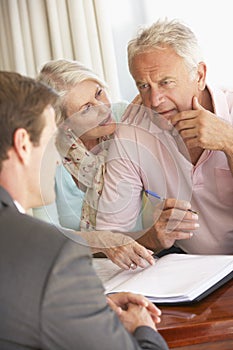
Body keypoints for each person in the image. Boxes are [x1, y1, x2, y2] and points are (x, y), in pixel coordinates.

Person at [0, 71, 169, 350]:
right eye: (47, 142)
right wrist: (142, 327)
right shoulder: (50, 252)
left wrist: (80, 306)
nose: (54, 158)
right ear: (22, 144)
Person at [96, 18, 233, 255]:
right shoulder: (133, 132)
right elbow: (110, 236)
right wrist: (151, 238)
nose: (154, 101)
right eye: (144, 86)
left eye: (165, 82)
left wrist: (229, 142)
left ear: (199, 75)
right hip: (195, 271)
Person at [32, 59, 154, 270]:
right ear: (63, 124)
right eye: (86, 108)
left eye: (98, 93)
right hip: (81, 269)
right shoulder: (45, 156)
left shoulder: (124, 116)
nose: (103, 108)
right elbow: (45, 237)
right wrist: (101, 240)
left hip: (146, 259)